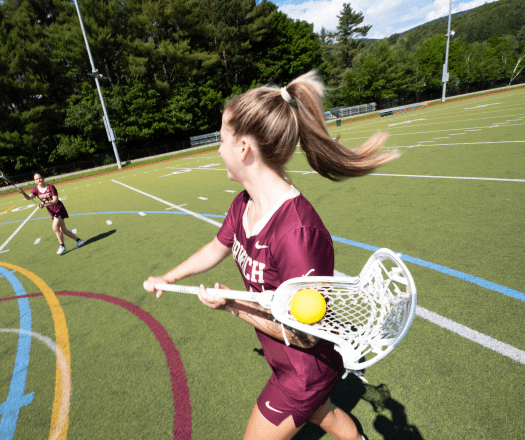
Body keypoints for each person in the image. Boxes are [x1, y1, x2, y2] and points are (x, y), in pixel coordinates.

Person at [144, 71, 398, 440]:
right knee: (322, 413)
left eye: (221, 139)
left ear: (244, 148)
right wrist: (169, 277)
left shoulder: (297, 234)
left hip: (304, 370)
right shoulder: (244, 205)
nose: (218, 150)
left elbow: (306, 335)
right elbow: (217, 246)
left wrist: (232, 305)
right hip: (286, 360)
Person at [18, 172, 84, 255]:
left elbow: (55, 200)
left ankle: (62, 246)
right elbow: (29, 198)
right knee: (63, 230)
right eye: (36, 179)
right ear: (34, 181)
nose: (39, 180)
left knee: (55, 227)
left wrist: (43, 204)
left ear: (43, 178)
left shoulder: (50, 187)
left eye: (40, 178)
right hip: (51, 211)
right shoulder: (35, 190)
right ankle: (79, 241)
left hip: (58, 209)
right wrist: (23, 193)